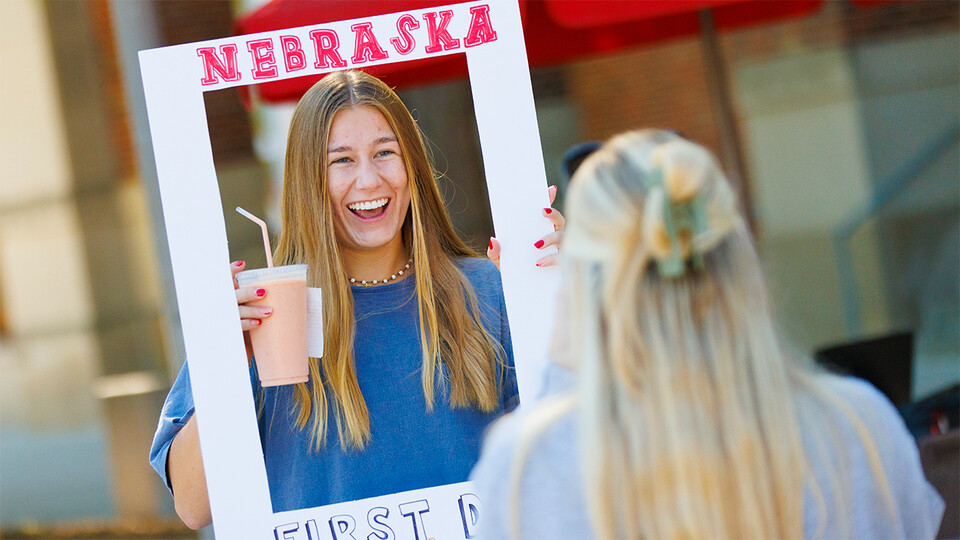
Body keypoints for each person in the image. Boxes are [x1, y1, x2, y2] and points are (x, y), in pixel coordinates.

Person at [470, 129, 945, 539]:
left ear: (585, 281)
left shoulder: (530, 467)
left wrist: (565, 327)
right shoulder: (858, 425)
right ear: (740, 257)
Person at [149, 70, 560, 529]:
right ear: (309, 182)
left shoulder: (489, 290)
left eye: (385, 153)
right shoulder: (260, 311)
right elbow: (193, 505)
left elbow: (568, 456)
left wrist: (556, 303)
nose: (368, 180)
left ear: (413, 167)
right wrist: (224, 361)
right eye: (341, 161)